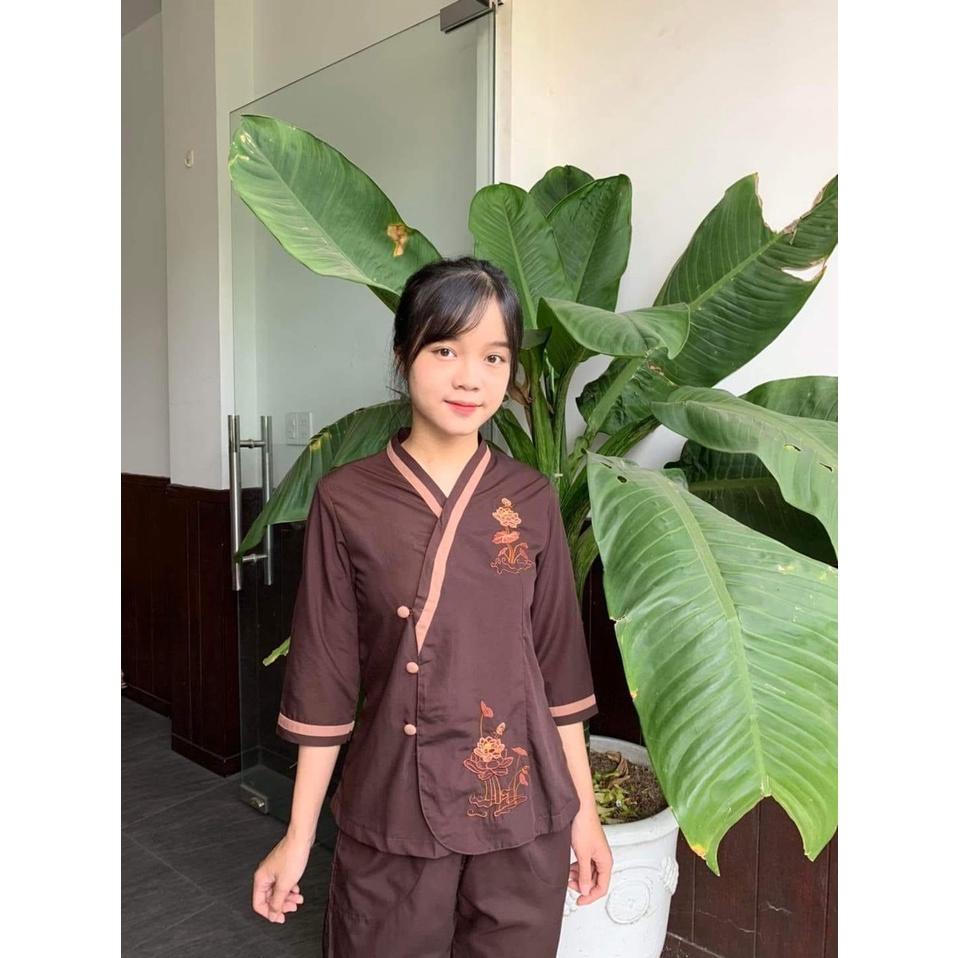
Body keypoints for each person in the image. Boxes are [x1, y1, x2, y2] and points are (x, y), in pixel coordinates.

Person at [251, 255, 613, 956]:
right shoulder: (346, 499)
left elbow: (559, 675)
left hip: (520, 806)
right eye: (446, 349)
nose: (470, 378)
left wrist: (585, 818)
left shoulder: (531, 498)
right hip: (394, 806)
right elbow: (324, 679)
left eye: (493, 357)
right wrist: (297, 835)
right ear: (403, 354)